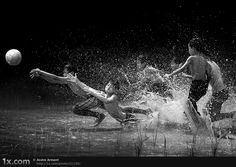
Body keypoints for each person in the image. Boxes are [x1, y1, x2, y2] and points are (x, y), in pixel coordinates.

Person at [29, 63, 106, 127]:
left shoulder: (71, 79)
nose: (63, 74)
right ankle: (102, 116)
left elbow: (56, 78)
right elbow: (54, 81)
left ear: (71, 73)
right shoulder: (69, 81)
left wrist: (40, 71)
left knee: (76, 109)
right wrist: (40, 75)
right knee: (113, 110)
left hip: (95, 97)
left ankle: (99, 115)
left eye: (65, 72)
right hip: (95, 98)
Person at [67, 74, 153, 124]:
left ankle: (154, 119)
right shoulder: (102, 94)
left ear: (115, 90)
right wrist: (77, 81)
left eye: (111, 87)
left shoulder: (114, 96)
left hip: (126, 118)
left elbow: (107, 101)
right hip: (121, 119)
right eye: (108, 85)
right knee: (127, 116)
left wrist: (94, 93)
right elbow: (87, 87)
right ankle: (146, 112)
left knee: (142, 124)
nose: (108, 87)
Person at [164, 37, 211, 115]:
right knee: (192, 101)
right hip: (204, 86)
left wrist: (170, 75)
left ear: (193, 48)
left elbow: (182, 69)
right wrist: (187, 76)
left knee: (190, 102)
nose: (188, 50)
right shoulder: (204, 59)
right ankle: (194, 115)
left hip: (195, 85)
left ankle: (191, 115)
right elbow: (206, 75)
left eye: (189, 48)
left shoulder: (191, 58)